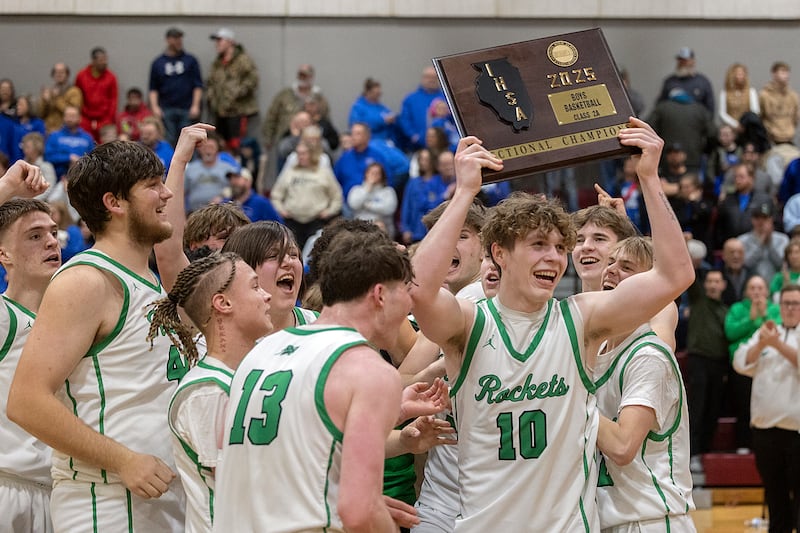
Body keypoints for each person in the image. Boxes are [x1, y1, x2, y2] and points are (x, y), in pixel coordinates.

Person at [408, 117, 694, 531]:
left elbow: (675, 275)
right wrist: (465, 191)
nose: (555, 257)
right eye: (538, 245)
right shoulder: (470, 322)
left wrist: (649, 178)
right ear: (499, 253)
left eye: (561, 247)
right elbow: (417, 289)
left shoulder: (581, 318)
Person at [7, 140, 187, 531]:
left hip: (156, 501)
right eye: (153, 185)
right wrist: (124, 460)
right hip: (107, 503)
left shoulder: (146, 280)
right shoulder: (86, 281)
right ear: (114, 203)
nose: (166, 194)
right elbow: (25, 401)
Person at [213, 231, 419, 531]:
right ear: (380, 295)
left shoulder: (262, 350)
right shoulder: (368, 369)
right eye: (407, 291)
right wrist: (368, 507)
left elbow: (240, 455)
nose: (410, 303)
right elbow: (359, 512)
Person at [150, 252, 272, 533]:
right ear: (223, 303)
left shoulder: (249, 375)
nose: (266, 296)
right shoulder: (207, 392)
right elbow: (242, 488)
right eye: (255, 286)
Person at [594, 236, 695, 532]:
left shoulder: (648, 355)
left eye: (626, 267)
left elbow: (623, 446)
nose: (611, 270)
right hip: (609, 517)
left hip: (649, 520)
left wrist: (571, 399)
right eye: (610, 262)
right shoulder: (596, 350)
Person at [0, 161, 56, 533]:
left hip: (60, 491)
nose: (51, 242)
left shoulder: (73, 322)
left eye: (53, 233)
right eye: (34, 236)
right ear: (3, 255)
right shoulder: (4, 316)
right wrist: (6, 187)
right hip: (9, 488)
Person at [733, 284, 800, 533]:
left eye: (795, 304)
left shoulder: (780, 337)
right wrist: (762, 344)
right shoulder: (767, 332)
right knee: (774, 495)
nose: (790, 308)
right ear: (779, 306)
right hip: (764, 431)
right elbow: (740, 362)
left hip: (796, 433)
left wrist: (777, 345)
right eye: (786, 303)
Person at [725, 275, 779, 453]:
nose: (756, 292)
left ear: (767, 291)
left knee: (769, 405)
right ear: (746, 291)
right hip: (742, 366)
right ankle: (743, 443)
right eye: (752, 288)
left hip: (770, 366)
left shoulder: (775, 309)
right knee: (743, 406)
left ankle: (766, 445)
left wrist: (764, 315)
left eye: (760, 288)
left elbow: (779, 332)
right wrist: (751, 318)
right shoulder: (737, 308)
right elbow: (731, 332)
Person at [684, 269, 729, 472]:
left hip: (719, 363)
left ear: (723, 285)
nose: (712, 285)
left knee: (713, 409)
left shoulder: (726, 311)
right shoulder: (698, 300)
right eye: (709, 281)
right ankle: (692, 453)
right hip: (699, 360)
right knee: (697, 407)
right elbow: (688, 275)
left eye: (716, 281)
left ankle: (705, 450)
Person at [271, 140, 342, 249]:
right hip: (293, 221)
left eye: (303, 153)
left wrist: (329, 211)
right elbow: (276, 194)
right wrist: (281, 209)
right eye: (298, 153)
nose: (300, 157)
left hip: (316, 221)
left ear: (312, 154)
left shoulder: (323, 173)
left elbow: (337, 196)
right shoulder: (290, 172)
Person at [149, 27, 204, 146]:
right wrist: (155, 107)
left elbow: (198, 85)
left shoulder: (190, 60)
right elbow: (153, 88)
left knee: (188, 140)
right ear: (168, 40)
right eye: (175, 38)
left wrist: (195, 105)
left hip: (186, 108)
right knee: (169, 139)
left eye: (180, 38)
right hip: (166, 108)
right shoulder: (158, 63)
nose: (178, 41)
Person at [206, 28, 258, 147]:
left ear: (230, 41)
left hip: (237, 111)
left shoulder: (242, 59)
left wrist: (236, 93)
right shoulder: (217, 62)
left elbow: (252, 79)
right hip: (220, 111)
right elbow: (211, 81)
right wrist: (211, 97)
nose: (217, 44)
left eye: (220, 40)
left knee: (236, 144)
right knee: (220, 143)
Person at [648, 87, 716, 174]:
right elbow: (713, 133)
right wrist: (705, 150)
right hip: (693, 159)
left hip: (667, 160)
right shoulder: (700, 110)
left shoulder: (662, 108)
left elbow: (648, 129)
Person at [262, 64, 330, 150]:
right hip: (286, 139)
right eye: (300, 74)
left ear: (311, 77)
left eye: (305, 75)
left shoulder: (318, 98)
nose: (301, 77)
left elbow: (325, 119)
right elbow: (272, 116)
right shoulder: (285, 95)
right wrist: (268, 138)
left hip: (311, 142)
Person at [334, 122, 388, 204]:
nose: (353, 137)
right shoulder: (344, 158)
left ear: (367, 136)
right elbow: (335, 181)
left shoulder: (377, 157)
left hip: (373, 203)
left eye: (358, 134)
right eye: (352, 134)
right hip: (348, 204)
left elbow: (387, 180)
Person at [184, 132, 238, 213]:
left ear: (217, 149)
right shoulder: (190, 169)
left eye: (211, 147)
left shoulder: (228, 169)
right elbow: (182, 193)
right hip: (195, 213)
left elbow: (237, 190)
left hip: (222, 213)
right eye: (205, 147)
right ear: (199, 149)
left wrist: (223, 197)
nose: (208, 150)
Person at [718, 63, 767, 151]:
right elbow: (722, 113)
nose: (740, 77)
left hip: (747, 127)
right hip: (731, 128)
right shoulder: (725, 93)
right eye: (737, 74)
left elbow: (755, 111)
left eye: (742, 74)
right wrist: (735, 125)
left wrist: (743, 124)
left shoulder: (751, 92)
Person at [74, 46, 119, 143]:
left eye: (105, 59)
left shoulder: (111, 77)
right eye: (101, 60)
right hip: (85, 118)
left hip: (104, 119)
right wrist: (80, 117)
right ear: (93, 61)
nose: (105, 62)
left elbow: (113, 101)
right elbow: (77, 98)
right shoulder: (81, 76)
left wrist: (108, 120)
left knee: (107, 139)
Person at [738, 199, 789, 283]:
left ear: (771, 219)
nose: (761, 221)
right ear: (752, 220)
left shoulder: (782, 239)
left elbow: (782, 264)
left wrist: (770, 243)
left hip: (776, 285)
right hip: (752, 285)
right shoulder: (742, 240)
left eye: (764, 218)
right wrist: (760, 243)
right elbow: (745, 264)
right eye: (757, 218)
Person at [398, 67, 445, 152]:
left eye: (434, 77)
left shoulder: (446, 98)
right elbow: (405, 120)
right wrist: (414, 136)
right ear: (423, 78)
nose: (431, 80)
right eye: (428, 77)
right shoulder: (411, 99)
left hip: (444, 146)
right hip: (418, 147)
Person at [657, 47, 715, 115]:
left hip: (696, 120)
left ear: (693, 61)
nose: (682, 63)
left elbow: (710, 109)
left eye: (685, 60)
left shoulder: (703, 82)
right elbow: (660, 106)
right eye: (680, 60)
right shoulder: (669, 82)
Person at [346, 162, 398, 238]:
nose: (374, 175)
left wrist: (367, 205)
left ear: (382, 175)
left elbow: (389, 209)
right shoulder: (357, 190)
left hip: (384, 229)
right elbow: (354, 205)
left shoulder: (388, 191)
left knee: (379, 226)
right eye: (372, 172)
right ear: (366, 174)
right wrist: (368, 188)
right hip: (361, 230)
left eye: (377, 173)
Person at [43, 105, 95, 180]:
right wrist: (68, 158)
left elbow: (93, 159)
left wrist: (80, 161)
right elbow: (48, 157)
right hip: (58, 177)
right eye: (67, 116)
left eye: (73, 116)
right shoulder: (54, 136)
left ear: (79, 118)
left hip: (83, 176)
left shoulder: (87, 138)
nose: (70, 119)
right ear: (63, 117)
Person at [759, 61, 800, 145]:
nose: (785, 75)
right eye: (782, 72)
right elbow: (761, 116)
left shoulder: (793, 96)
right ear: (774, 74)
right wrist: (770, 130)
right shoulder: (765, 95)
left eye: (787, 72)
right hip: (770, 139)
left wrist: (790, 129)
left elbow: (796, 117)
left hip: (789, 137)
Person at [349, 77, 397, 145]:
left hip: (385, 142)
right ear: (368, 92)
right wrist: (382, 121)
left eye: (379, 94)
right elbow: (356, 125)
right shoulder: (358, 107)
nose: (378, 96)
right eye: (376, 94)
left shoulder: (382, 108)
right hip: (368, 143)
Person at [38, 62, 83, 134]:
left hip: (65, 131)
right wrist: (45, 101)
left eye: (62, 72)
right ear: (53, 75)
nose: (59, 75)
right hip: (48, 130)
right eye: (56, 72)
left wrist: (57, 99)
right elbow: (40, 114)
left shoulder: (74, 91)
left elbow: (73, 113)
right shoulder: (49, 91)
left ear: (67, 74)